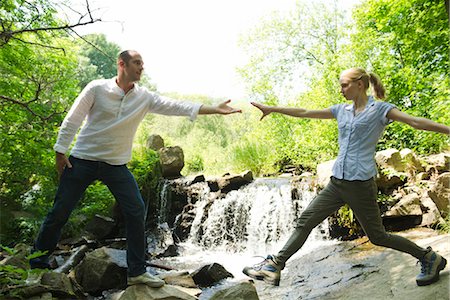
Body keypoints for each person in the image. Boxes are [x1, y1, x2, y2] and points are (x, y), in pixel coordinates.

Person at [30, 50, 241, 288]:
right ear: (122, 64)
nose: (142, 68)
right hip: (83, 160)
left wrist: (214, 108)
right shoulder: (97, 88)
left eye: (142, 64)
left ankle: (137, 272)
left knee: (136, 211)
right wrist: (60, 151)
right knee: (60, 211)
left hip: (116, 165)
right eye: (137, 63)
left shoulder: (144, 97)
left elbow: (177, 106)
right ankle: (36, 264)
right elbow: (73, 119)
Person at [243, 67, 449, 287]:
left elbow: (415, 122)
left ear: (359, 84)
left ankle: (428, 257)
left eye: (344, 85)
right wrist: (272, 109)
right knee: (305, 221)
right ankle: (274, 266)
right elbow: (304, 112)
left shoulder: (380, 110)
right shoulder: (341, 110)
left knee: (378, 237)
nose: (341, 90)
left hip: (360, 184)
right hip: (337, 183)